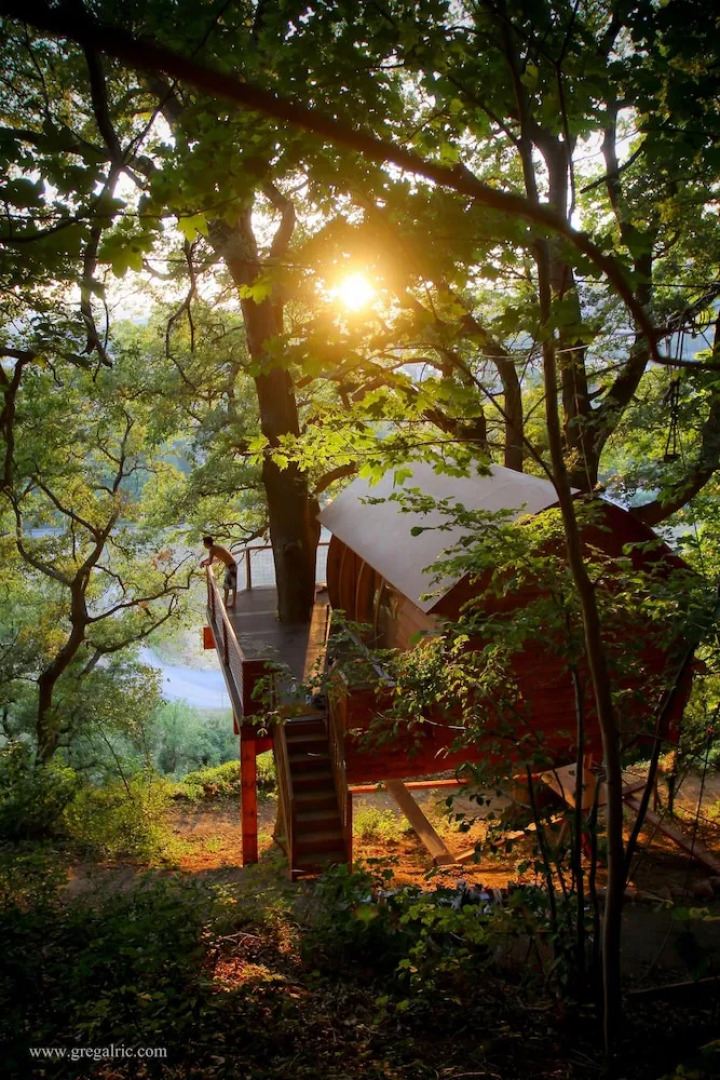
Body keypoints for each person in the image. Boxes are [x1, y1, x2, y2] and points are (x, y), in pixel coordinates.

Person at [200, 535, 237, 609]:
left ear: (207, 544)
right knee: (232, 585)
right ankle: (231, 603)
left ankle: (225, 605)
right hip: (232, 565)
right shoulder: (215, 548)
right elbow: (213, 558)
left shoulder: (212, 550)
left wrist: (203, 564)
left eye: (204, 543)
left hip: (231, 567)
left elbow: (210, 562)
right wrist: (203, 561)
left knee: (227, 586)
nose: (203, 545)